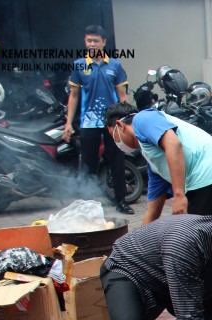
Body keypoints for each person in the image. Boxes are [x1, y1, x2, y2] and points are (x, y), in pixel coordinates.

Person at [106, 101, 212, 320]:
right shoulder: (154, 158)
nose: (116, 143)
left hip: (211, 177)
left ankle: (191, 315)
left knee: (192, 251)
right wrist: (133, 249)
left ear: (120, 125)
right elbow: (152, 211)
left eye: (112, 135)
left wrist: (180, 195)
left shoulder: (143, 118)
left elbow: (174, 143)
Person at [64, 25, 133, 215]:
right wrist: (69, 123)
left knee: (117, 161)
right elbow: (74, 95)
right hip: (88, 123)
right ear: (85, 42)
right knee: (88, 164)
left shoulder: (115, 65)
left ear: (103, 42)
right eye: (89, 41)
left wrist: (127, 120)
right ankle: (87, 206)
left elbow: (122, 95)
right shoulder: (80, 65)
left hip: (112, 123)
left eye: (96, 41)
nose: (92, 44)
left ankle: (121, 201)